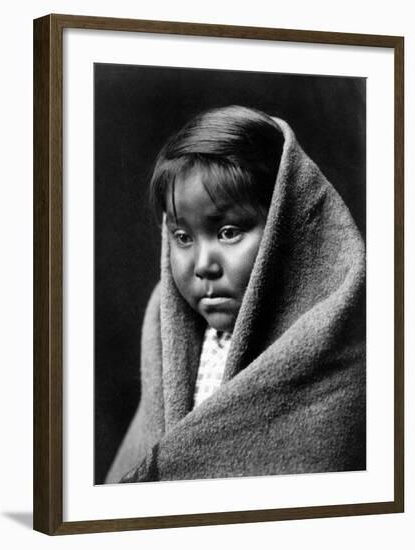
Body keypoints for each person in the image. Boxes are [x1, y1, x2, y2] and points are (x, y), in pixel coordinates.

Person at [105, 105, 366, 484]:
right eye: (182, 237)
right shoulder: (168, 337)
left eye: (228, 232)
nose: (203, 264)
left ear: (286, 229)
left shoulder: (339, 350)